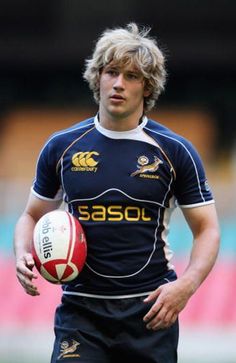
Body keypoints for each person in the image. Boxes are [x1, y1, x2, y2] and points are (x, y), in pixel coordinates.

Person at [14, 23, 220, 363]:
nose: (119, 84)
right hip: (81, 314)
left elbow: (207, 229)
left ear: (148, 86)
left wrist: (187, 285)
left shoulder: (175, 151)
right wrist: (23, 251)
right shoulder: (62, 147)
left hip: (151, 312)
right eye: (111, 72)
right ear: (98, 77)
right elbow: (31, 216)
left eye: (132, 76)